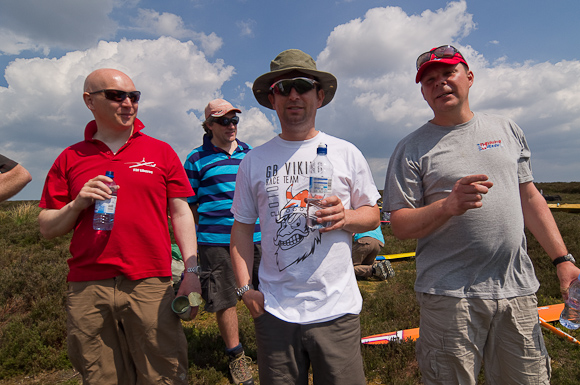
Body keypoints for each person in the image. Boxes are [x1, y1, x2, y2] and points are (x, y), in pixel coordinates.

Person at [383, 45, 580, 384]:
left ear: (469, 78)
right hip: (448, 297)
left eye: (448, 74)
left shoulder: (507, 130)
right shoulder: (411, 148)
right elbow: (399, 224)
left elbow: (529, 198)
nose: (440, 83)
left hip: (516, 290)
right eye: (429, 80)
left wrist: (562, 259)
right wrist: (448, 205)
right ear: (422, 92)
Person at [38, 68, 201, 384]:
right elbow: (47, 227)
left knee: (164, 374)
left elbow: (181, 214)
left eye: (134, 96)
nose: (128, 103)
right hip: (88, 285)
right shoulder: (69, 158)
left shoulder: (161, 151)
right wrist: (78, 203)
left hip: (150, 282)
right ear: (90, 101)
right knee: (101, 376)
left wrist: (191, 274)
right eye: (116, 96)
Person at [230, 49, 380, 385]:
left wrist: (345, 218)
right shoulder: (253, 161)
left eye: (302, 85)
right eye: (284, 88)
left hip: (336, 310)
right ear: (273, 98)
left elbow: (372, 216)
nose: (293, 95)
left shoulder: (346, 153)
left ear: (320, 95)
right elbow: (240, 231)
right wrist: (244, 290)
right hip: (275, 313)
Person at [184, 98, 261, 385]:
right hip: (214, 242)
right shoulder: (195, 159)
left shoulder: (250, 154)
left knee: (266, 291)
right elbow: (188, 206)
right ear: (209, 126)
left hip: (256, 238)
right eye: (224, 121)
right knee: (224, 299)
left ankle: (268, 346)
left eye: (234, 120)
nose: (231, 126)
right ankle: (236, 356)